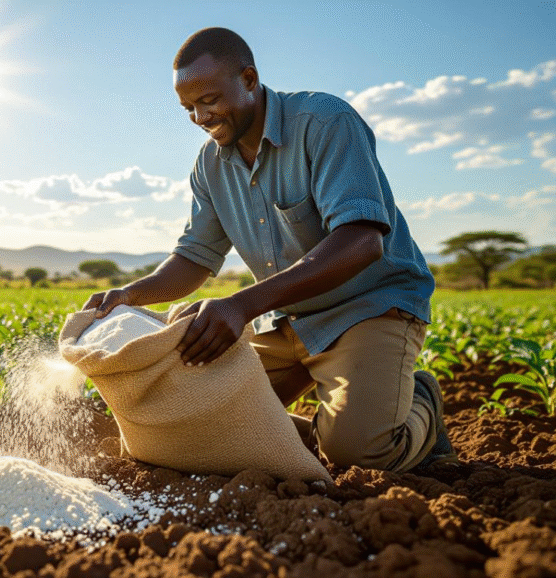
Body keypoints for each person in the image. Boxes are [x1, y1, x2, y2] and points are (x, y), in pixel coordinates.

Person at [83, 27, 457, 473]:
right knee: (188, 416)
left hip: (367, 309)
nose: (200, 117)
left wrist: (241, 305)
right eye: (188, 108)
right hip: (286, 319)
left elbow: (362, 242)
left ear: (248, 78)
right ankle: (326, 427)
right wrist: (129, 295)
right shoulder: (210, 166)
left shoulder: (323, 123)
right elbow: (194, 258)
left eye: (208, 99)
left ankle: (419, 404)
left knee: (360, 454)